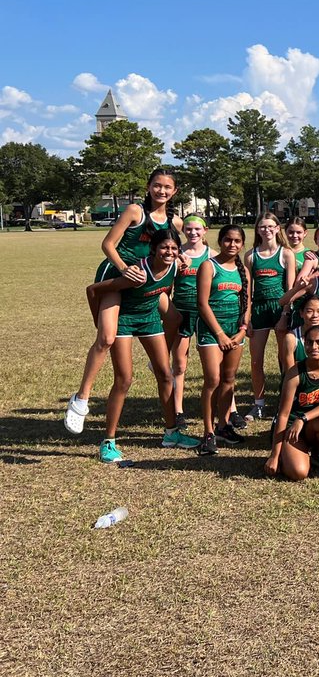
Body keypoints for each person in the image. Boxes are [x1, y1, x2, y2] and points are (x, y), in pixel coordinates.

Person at [65, 168, 182, 435]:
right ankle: (81, 399)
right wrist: (123, 267)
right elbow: (108, 244)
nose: (161, 191)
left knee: (174, 317)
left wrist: (182, 257)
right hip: (119, 277)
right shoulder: (134, 211)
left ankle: (158, 361)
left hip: (147, 279)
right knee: (106, 339)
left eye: (167, 187)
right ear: (148, 186)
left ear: (174, 192)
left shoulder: (175, 222)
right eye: (157, 185)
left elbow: (176, 247)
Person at [91, 229, 200, 462]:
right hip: (124, 321)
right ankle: (108, 441)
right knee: (124, 379)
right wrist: (98, 322)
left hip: (150, 320)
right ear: (153, 249)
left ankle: (172, 433)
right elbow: (94, 290)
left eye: (173, 248)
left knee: (165, 375)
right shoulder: (137, 272)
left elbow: (164, 292)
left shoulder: (173, 266)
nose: (169, 252)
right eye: (164, 248)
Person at [195, 224, 252, 455]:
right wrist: (219, 334)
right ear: (220, 240)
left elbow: (247, 303)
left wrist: (242, 329)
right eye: (228, 240)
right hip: (212, 330)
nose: (232, 245)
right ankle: (208, 432)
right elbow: (202, 303)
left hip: (234, 330)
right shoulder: (209, 266)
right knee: (213, 380)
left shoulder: (243, 271)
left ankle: (223, 426)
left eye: (237, 241)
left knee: (229, 379)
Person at [265, 326, 319, 481]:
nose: (314, 347)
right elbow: (282, 415)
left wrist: (302, 418)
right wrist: (274, 455)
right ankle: (286, 454)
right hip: (291, 428)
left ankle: (318, 454)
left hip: (310, 422)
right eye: (309, 342)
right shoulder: (295, 372)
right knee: (299, 473)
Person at [246, 212, 296, 420]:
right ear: (257, 230)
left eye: (270, 226)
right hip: (258, 310)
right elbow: (247, 289)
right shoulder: (251, 255)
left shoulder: (286, 254)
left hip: (279, 308)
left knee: (285, 358)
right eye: (262, 227)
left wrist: (285, 313)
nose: (266, 230)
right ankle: (259, 404)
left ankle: (287, 402)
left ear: (277, 229)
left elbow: (290, 288)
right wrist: (246, 316)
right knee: (256, 360)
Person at [170, 215, 210, 427]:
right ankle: (178, 411)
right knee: (180, 363)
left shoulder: (212, 255)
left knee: (214, 365)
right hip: (182, 310)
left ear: (205, 231)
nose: (193, 233)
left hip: (206, 312)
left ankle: (230, 409)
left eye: (197, 229)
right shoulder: (175, 253)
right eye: (188, 229)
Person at [283, 294, 319, 372]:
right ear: (301, 313)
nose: (315, 315)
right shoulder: (291, 338)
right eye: (309, 311)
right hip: (295, 381)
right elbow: (289, 372)